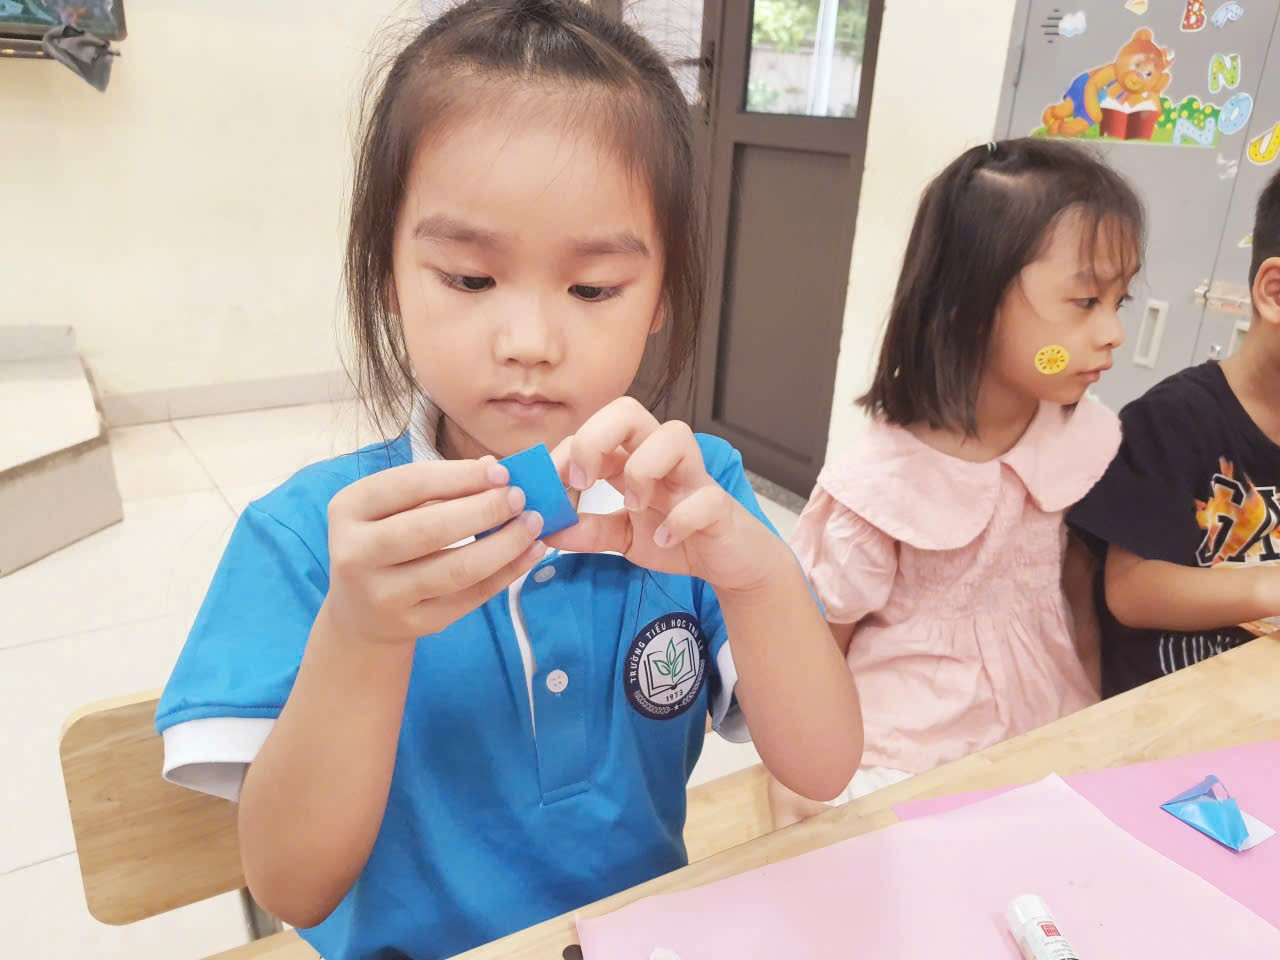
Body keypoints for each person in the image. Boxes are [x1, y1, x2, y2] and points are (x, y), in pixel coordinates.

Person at [153, 3, 862, 958]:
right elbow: (291, 887)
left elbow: (821, 769)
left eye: (593, 289)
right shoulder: (311, 540)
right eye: (469, 279)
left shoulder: (699, 498)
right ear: (387, 274)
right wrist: (361, 633)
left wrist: (757, 575)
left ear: (661, 297)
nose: (529, 342)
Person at [771, 139, 1144, 827]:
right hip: (903, 742)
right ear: (970, 307)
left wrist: (1093, 714)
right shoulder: (881, 484)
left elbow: (1077, 594)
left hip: (1045, 719)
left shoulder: (1078, 435)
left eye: (1121, 299)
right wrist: (795, 778)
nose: (1114, 332)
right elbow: (820, 638)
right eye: (1086, 301)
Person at [1069, 168, 1280, 696]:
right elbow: (1130, 590)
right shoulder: (1171, 421)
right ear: (1274, 293)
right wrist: (1265, 587)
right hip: (1168, 714)